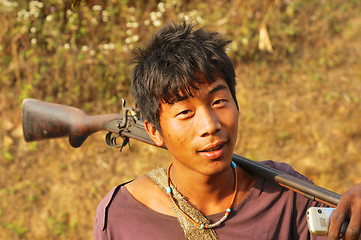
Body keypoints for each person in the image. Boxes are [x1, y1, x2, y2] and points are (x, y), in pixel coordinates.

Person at [94, 21, 361, 239]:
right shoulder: (121, 214)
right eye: (185, 112)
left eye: (219, 102)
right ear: (154, 130)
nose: (210, 125)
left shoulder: (285, 194)